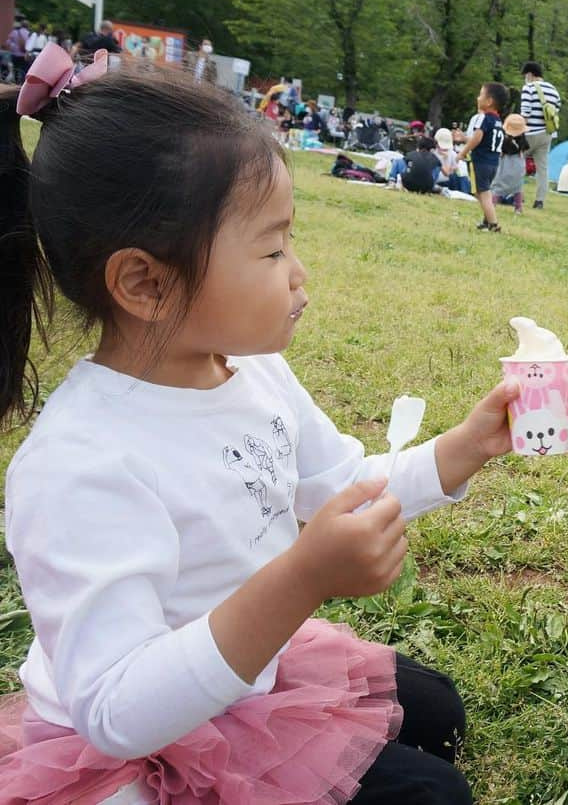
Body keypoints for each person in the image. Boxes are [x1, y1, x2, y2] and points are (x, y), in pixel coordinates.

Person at [0, 44, 521, 803]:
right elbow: (116, 708)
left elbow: (341, 484)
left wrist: (465, 448)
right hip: (147, 738)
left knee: (436, 710)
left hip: (254, 676)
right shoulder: (80, 460)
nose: (299, 271)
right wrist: (305, 576)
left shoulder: (249, 369)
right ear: (145, 281)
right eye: (272, 247)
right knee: (436, 795)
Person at [455, 82, 508, 232]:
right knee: (482, 192)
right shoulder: (498, 121)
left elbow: (477, 138)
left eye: (481, 95)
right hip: (493, 162)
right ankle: (486, 219)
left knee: (483, 193)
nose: (478, 98)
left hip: (482, 161)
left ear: (489, 101)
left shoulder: (484, 118)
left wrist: (462, 153)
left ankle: (493, 223)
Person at [518, 62, 561, 210]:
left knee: (519, 162)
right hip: (547, 134)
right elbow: (556, 110)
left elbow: (525, 113)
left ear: (530, 74)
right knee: (542, 168)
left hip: (530, 132)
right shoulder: (554, 90)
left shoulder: (528, 88)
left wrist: (517, 133)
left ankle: (519, 195)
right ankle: (539, 200)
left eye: (525, 75)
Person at [490, 113, 528, 215]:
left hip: (504, 164)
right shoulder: (523, 140)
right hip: (517, 164)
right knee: (518, 187)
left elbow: (500, 151)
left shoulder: (503, 139)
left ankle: (492, 204)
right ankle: (518, 208)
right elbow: (524, 150)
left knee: (497, 185)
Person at [433, 127, 471, 194]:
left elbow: (454, 170)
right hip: (437, 180)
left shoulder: (452, 152)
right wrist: (444, 160)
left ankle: (465, 194)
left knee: (462, 169)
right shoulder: (433, 152)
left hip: (450, 180)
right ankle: (463, 193)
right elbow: (446, 172)